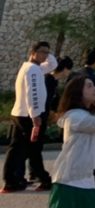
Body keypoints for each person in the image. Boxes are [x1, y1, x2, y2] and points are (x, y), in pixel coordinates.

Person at [48, 75, 95, 208]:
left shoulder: (91, 115)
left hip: (88, 181)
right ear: (77, 92)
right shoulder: (75, 117)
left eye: (94, 85)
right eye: (89, 86)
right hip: (68, 183)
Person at [2, 41, 53, 193]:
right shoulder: (32, 69)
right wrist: (35, 115)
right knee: (33, 149)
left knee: (17, 148)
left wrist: (49, 54)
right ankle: (44, 179)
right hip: (27, 116)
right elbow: (33, 93)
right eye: (42, 52)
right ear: (33, 52)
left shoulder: (33, 68)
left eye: (47, 52)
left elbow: (53, 64)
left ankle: (12, 180)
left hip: (21, 113)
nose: (45, 55)